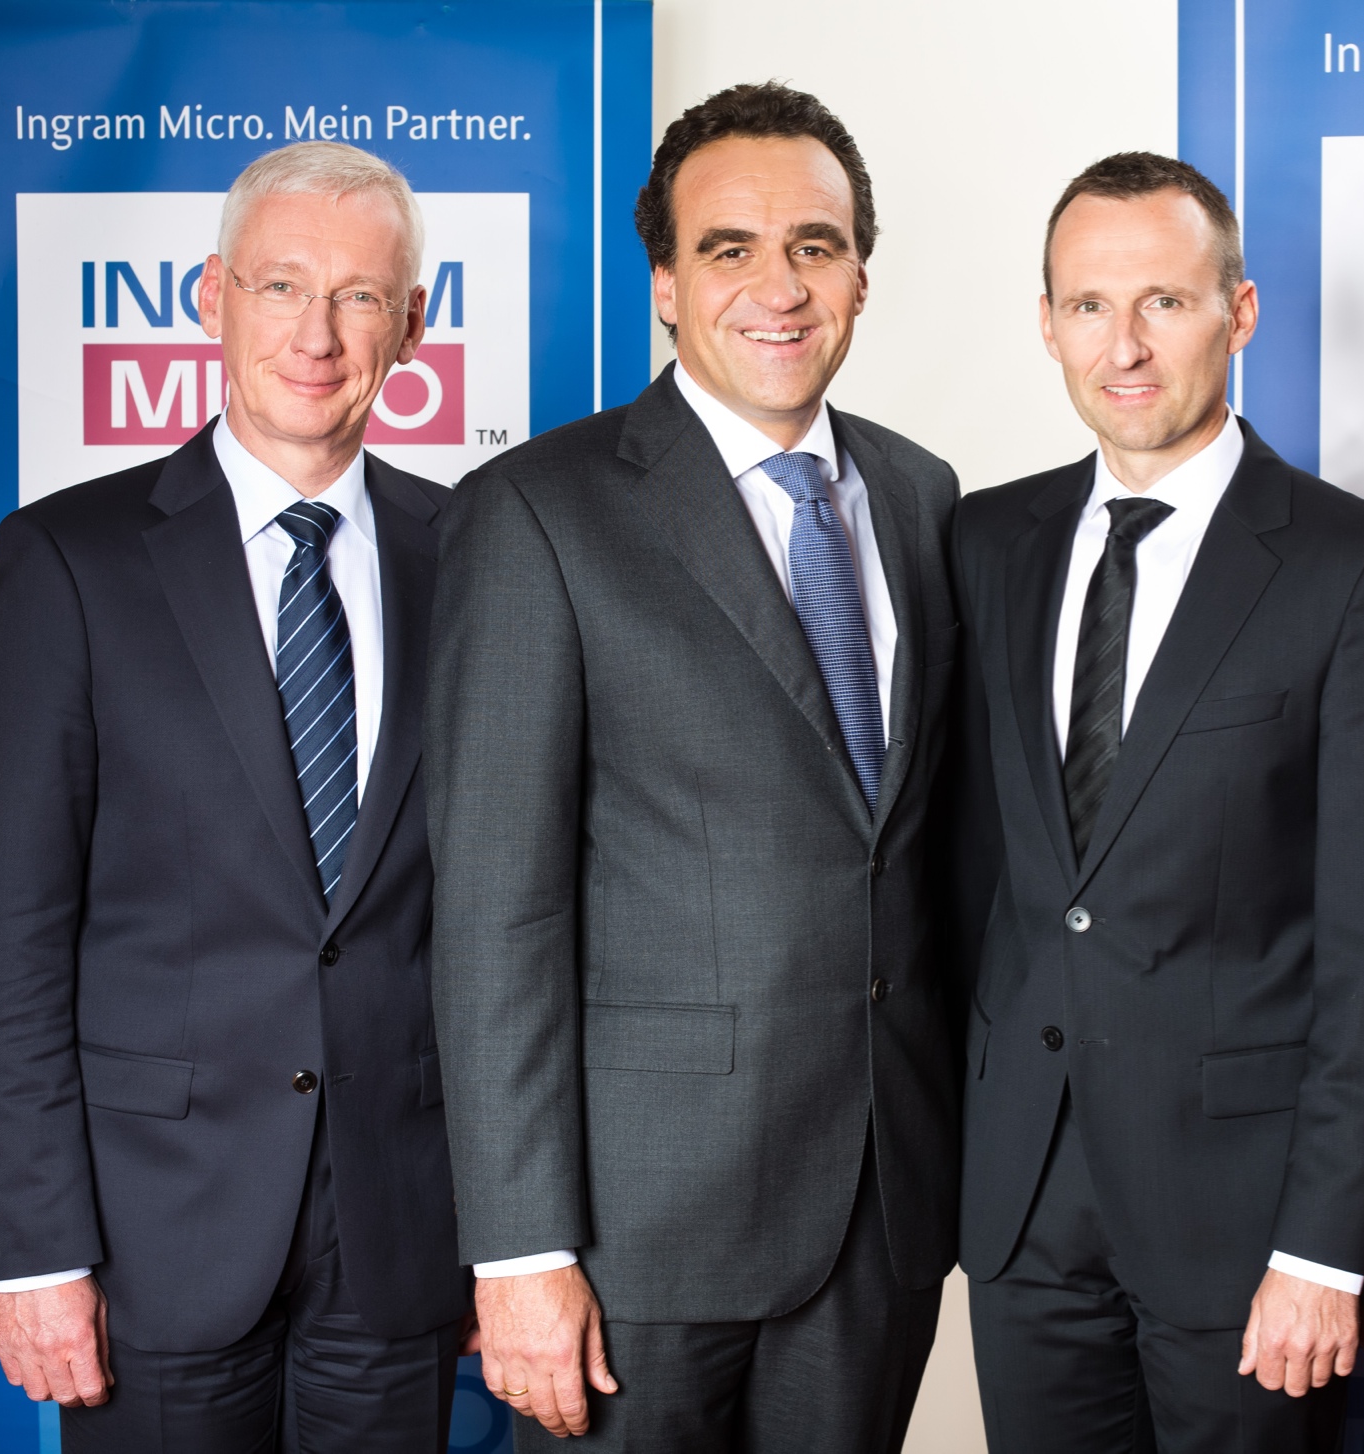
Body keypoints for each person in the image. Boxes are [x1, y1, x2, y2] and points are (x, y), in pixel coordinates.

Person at [424, 82, 961, 1452]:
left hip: (883, 1205)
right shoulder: (536, 512)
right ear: (665, 286)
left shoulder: (923, 496)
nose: (779, 288)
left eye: (815, 246)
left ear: (860, 274)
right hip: (638, 1235)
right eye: (730, 249)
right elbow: (495, 913)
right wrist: (520, 1248)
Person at [0, 141, 471, 1451]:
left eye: (360, 295)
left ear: (413, 323)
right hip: (153, 1234)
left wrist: (516, 1227)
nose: (316, 333)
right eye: (280, 284)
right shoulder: (66, 560)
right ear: (209, 296)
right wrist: (33, 1249)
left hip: (404, 1226)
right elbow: (6, 937)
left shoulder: (476, 554)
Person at [948, 151, 1364, 1453]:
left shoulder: (1355, 564)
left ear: (1239, 311)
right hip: (1022, 1202)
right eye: (1089, 305)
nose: (1123, 345)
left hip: (1248, 1217)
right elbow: (975, 877)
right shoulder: (986, 542)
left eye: (1163, 302)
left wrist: (1326, 1248)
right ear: (1046, 321)